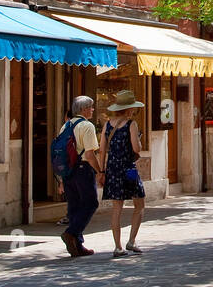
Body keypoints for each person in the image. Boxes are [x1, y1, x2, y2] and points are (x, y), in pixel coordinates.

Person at [101, 89, 147, 258]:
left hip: (112, 169)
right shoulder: (131, 124)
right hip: (129, 169)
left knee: (116, 208)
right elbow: (136, 149)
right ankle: (132, 241)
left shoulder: (107, 124)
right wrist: (139, 141)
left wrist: (101, 170)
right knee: (139, 203)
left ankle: (117, 246)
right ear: (129, 109)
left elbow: (101, 150)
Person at [58, 95, 101, 257]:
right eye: (90, 107)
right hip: (83, 169)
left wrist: (62, 178)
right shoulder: (87, 126)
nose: (92, 110)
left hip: (68, 171)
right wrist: (100, 171)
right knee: (90, 203)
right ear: (83, 109)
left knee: (74, 206)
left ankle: (77, 244)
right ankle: (71, 232)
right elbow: (90, 154)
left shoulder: (66, 125)